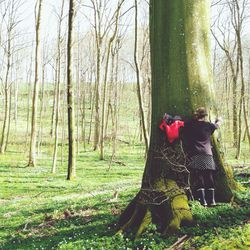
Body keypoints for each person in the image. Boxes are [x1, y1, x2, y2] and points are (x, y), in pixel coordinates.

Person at [181, 107, 222, 207]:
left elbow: (182, 127)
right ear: (204, 116)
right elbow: (217, 125)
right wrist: (220, 120)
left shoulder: (191, 125)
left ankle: (203, 201)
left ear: (196, 116)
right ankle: (212, 201)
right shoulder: (208, 126)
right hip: (207, 154)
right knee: (209, 176)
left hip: (196, 154)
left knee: (199, 176)